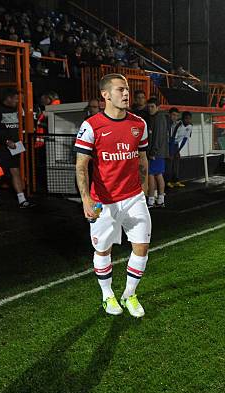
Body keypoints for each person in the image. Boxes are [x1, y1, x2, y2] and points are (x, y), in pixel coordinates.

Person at [74, 73, 150, 317]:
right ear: (105, 95)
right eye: (120, 89)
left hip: (133, 197)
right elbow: (81, 164)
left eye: (127, 89)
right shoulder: (91, 125)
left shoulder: (139, 124)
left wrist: (145, 189)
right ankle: (108, 295)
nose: (126, 93)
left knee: (141, 246)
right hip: (102, 201)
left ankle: (129, 294)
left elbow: (142, 158)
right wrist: (86, 199)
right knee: (102, 250)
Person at [0, 88, 35, 209]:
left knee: (15, 171)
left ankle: (22, 200)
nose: (18, 101)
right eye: (16, 98)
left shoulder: (17, 109)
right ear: (8, 98)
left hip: (14, 146)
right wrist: (6, 141)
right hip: (1, 147)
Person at [146, 97, 169, 208]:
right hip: (159, 152)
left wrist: (153, 152)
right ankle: (159, 199)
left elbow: (158, 137)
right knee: (158, 175)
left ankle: (152, 200)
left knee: (152, 175)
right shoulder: (157, 117)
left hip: (156, 152)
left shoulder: (159, 118)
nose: (150, 109)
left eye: (152, 107)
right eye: (149, 107)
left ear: (158, 107)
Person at [167, 111, 192, 188]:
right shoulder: (177, 124)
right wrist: (171, 152)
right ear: (183, 118)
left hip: (176, 144)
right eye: (186, 119)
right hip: (169, 143)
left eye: (190, 119)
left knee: (176, 162)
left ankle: (175, 180)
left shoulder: (190, 126)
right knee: (169, 163)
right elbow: (172, 138)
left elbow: (185, 139)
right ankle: (167, 181)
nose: (188, 120)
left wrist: (178, 150)